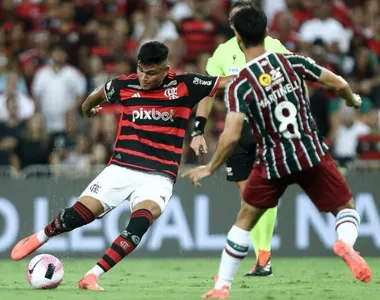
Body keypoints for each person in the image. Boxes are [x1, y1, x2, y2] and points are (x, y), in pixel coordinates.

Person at [10, 41, 233, 291]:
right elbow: (94, 97)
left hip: (159, 175)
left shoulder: (185, 84)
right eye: (141, 70)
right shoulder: (123, 84)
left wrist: (259, 77)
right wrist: (88, 111)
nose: (144, 78)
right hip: (121, 168)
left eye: (151, 73)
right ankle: (40, 237)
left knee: (139, 223)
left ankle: (92, 276)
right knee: (77, 216)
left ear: (165, 70)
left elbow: (223, 83)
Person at [183, 7, 371, 299]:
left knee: (245, 217)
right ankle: (345, 243)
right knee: (345, 207)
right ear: (268, 33)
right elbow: (340, 83)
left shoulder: (239, 85)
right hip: (310, 151)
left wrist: (210, 168)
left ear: (237, 37)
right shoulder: (293, 61)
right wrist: (352, 99)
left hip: (273, 160)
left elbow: (231, 134)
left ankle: (222, 287)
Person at [190, 0, 290, 276]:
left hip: (268, 127)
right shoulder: (222, 53)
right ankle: (261, 258)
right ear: (232, 23)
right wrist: (198, 130)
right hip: (236, 129)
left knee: (262, 195)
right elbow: (208, 93)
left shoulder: (274, 47)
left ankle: (263, 256)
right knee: (249, 197)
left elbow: (294, 80)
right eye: (236, 17)